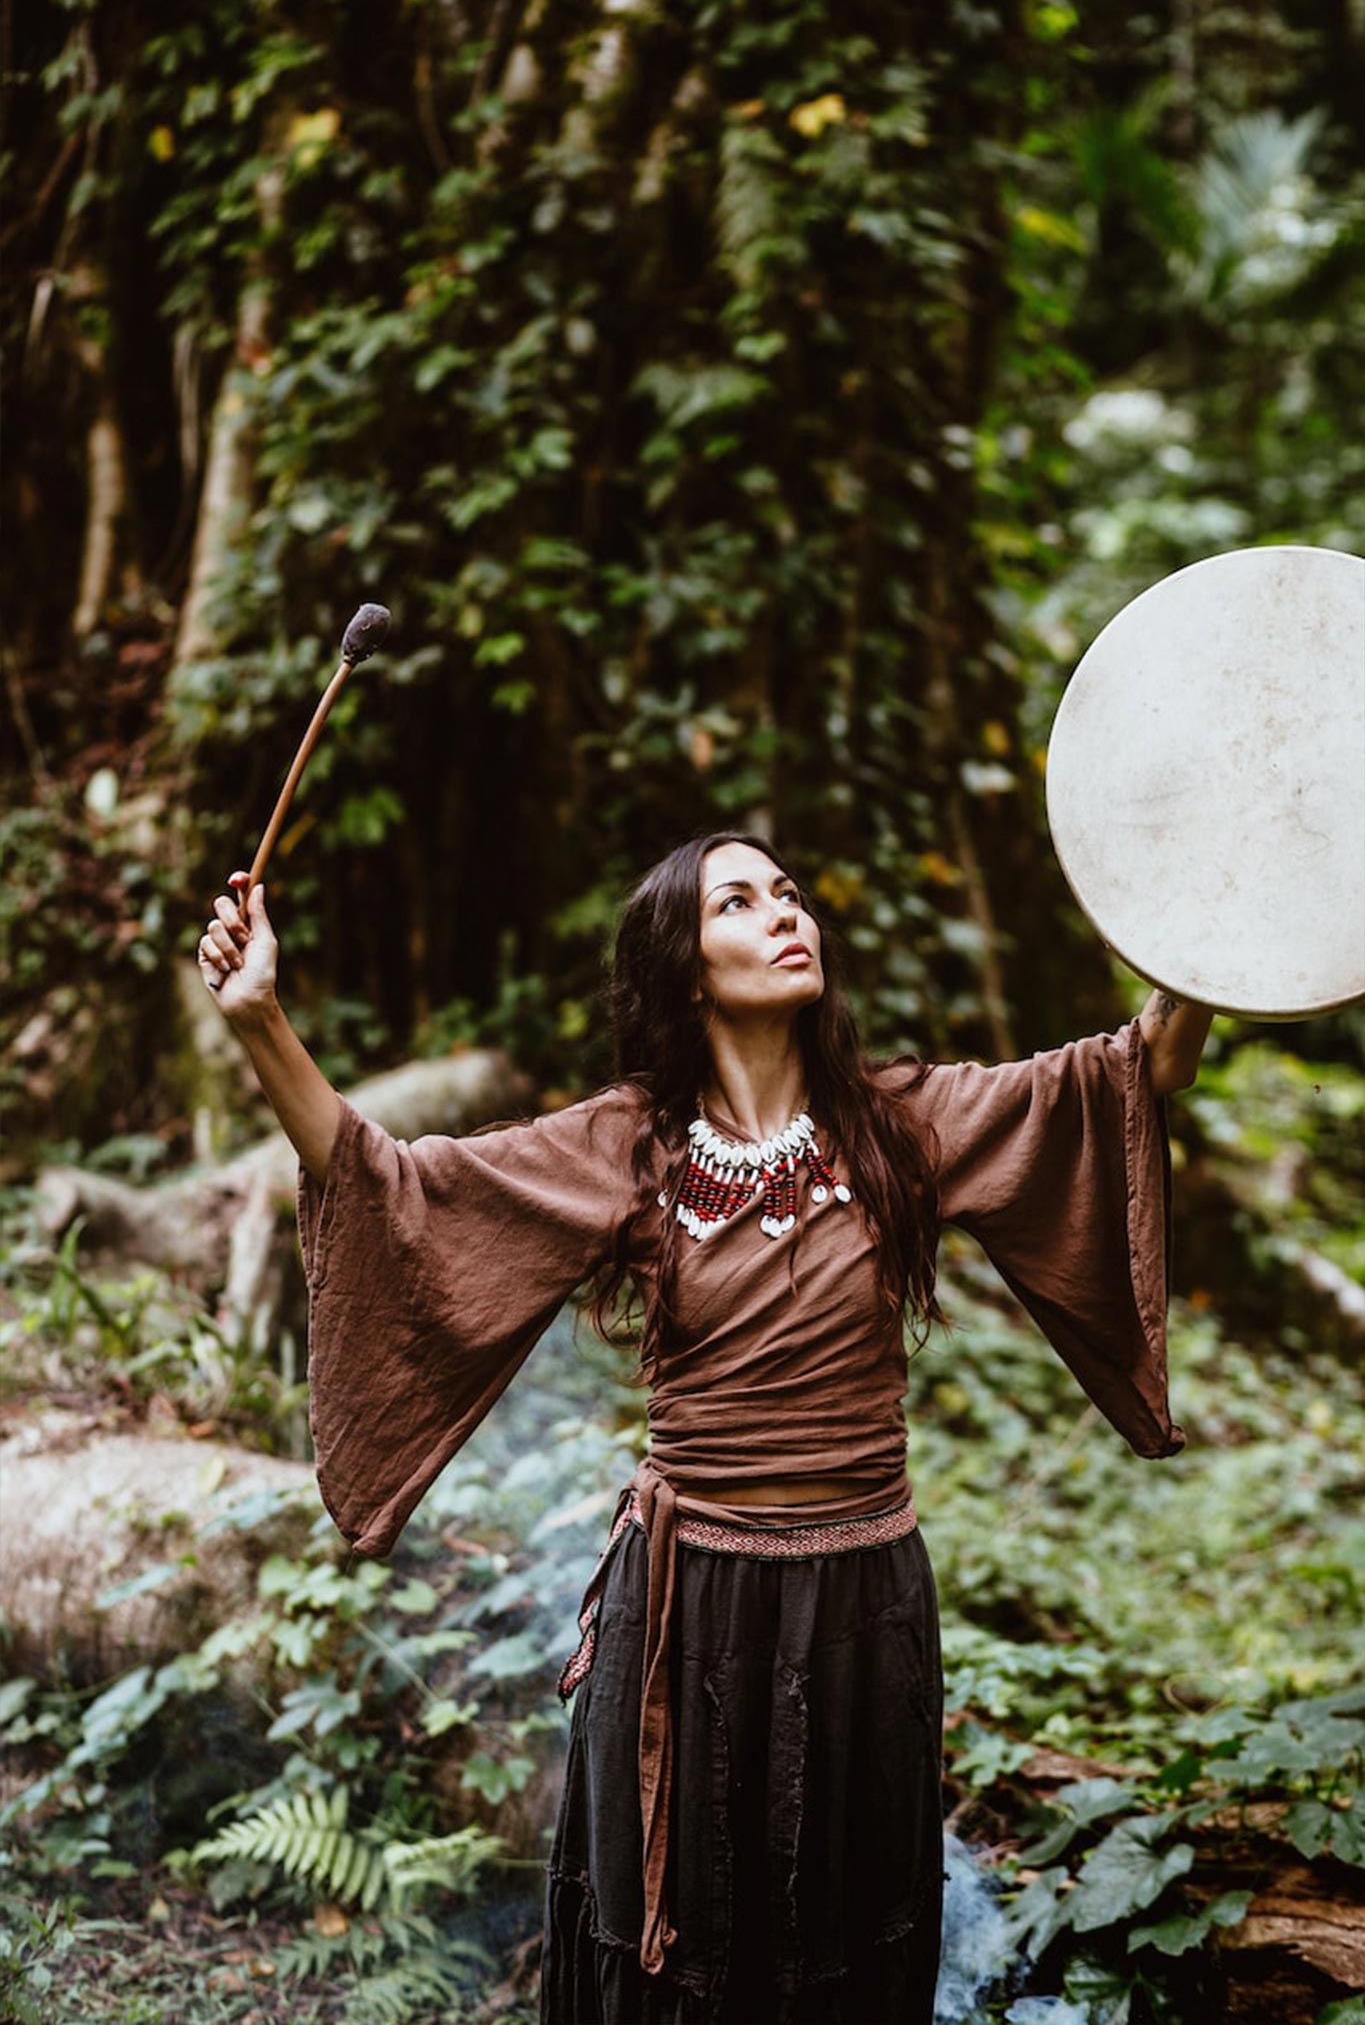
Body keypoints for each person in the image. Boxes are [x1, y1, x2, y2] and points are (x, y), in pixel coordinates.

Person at [196, 832, 1213, 2025]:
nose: (785, 914)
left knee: (845, 1943)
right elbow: (393, 1185)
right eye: (739, 901)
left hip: (864, 1601)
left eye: (790, 893)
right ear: (687, 973)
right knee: (675, 1957)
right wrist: (261, 1020)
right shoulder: (628, 1143)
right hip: (688, 1608)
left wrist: (1217, 919)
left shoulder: (902, 1119)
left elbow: (1135, 1070)